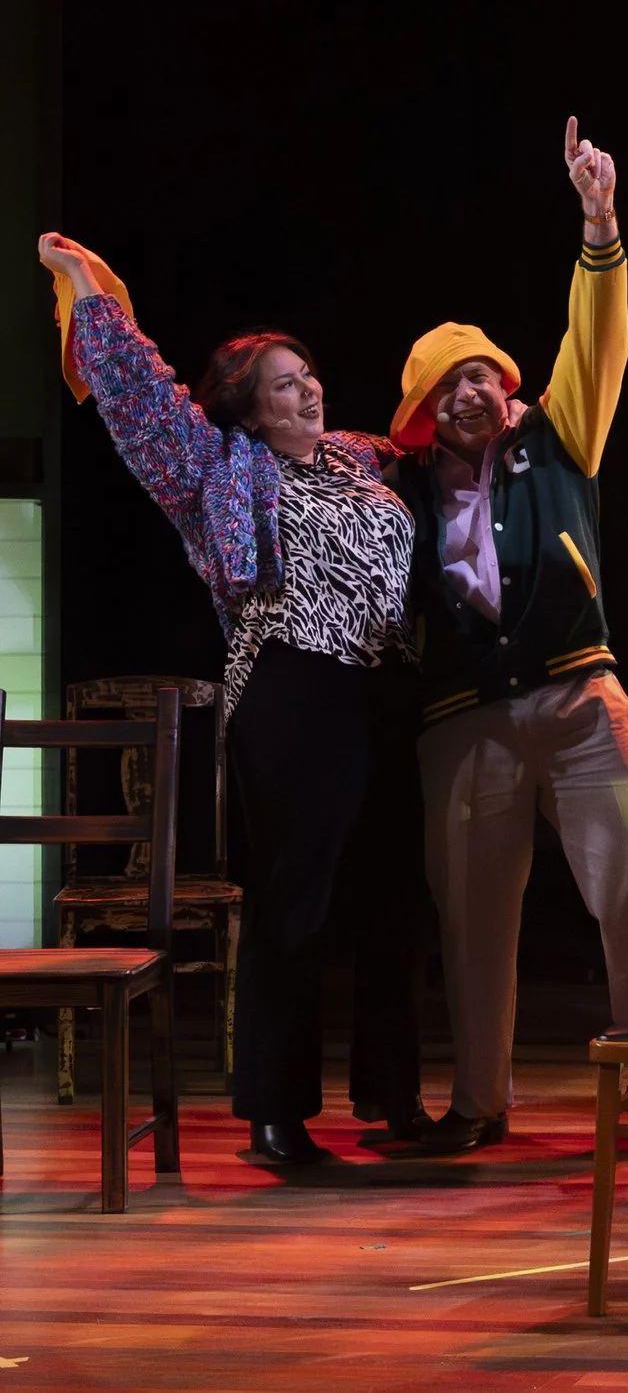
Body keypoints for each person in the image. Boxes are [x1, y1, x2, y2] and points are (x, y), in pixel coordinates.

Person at [40, 233, 425, 1165]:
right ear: (249, 407)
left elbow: (444, 439)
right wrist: (87, 289)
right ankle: (275, 1114)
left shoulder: (360, 459)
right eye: (286, 382)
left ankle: (392, 1098)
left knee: (394, 898)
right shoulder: (218, 469)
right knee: (294, 902)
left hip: (381, 688)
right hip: (292, 686)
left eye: (309, 375)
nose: (308, 389)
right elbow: (141, 399)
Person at [385, 119, 628, 1153]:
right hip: (466, 719)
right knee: (472, 920)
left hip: (583, 696)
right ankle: (479, 1100)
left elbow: (598, 339)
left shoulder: (559, 432)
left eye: (483, 373)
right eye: (448, 384)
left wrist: (599, 224)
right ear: (422, 411)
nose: (472, 391)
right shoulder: (399, 484)